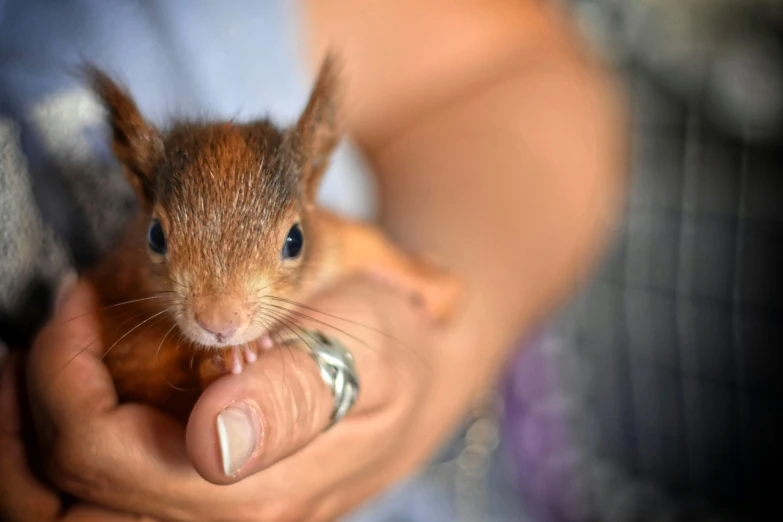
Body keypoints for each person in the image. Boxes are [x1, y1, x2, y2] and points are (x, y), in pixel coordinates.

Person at [0, 0, 625, 520]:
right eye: (164, 243)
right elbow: (135, 375)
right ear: (142, 194)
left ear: (312, 185)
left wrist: (442, 347)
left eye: (288, 245)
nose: (221, 314)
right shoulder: (124, 293)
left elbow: (517, 71)